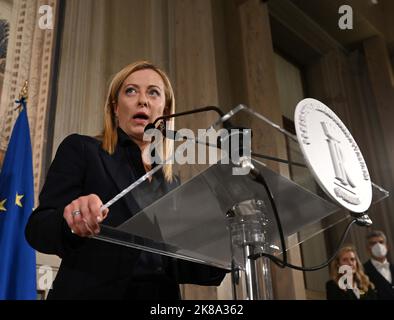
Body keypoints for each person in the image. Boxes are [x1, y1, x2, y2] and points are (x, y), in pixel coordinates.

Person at [25, 61, 226, 299]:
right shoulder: (82, 150)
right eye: (131, 91)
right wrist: (71, 220)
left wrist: (220, 241)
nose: (143, 100)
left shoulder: (172, 184)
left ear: (166, 111)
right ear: (115, 108)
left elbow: (180, 266)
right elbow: (38, 228)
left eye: (153, 92)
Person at [363, 230, 394, 299]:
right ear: (367, 249)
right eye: (373, 243)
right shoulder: (362, 271)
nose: (378, 246)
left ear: (387, 247)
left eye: (381, 242)